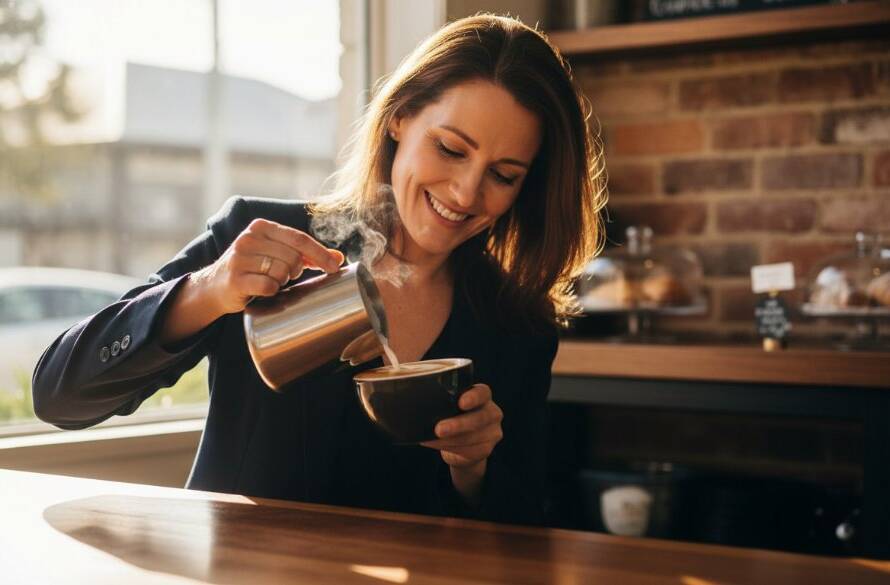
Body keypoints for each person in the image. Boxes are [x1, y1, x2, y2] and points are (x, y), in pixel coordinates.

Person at [32, 14, 606, 526]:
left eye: (503, 175)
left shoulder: (516, 322)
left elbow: (523, 524)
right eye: (451, 149)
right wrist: (208, 289)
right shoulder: (258, 238)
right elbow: (60, 396)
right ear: (400, 118)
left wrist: (474, 470)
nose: (465, 191)